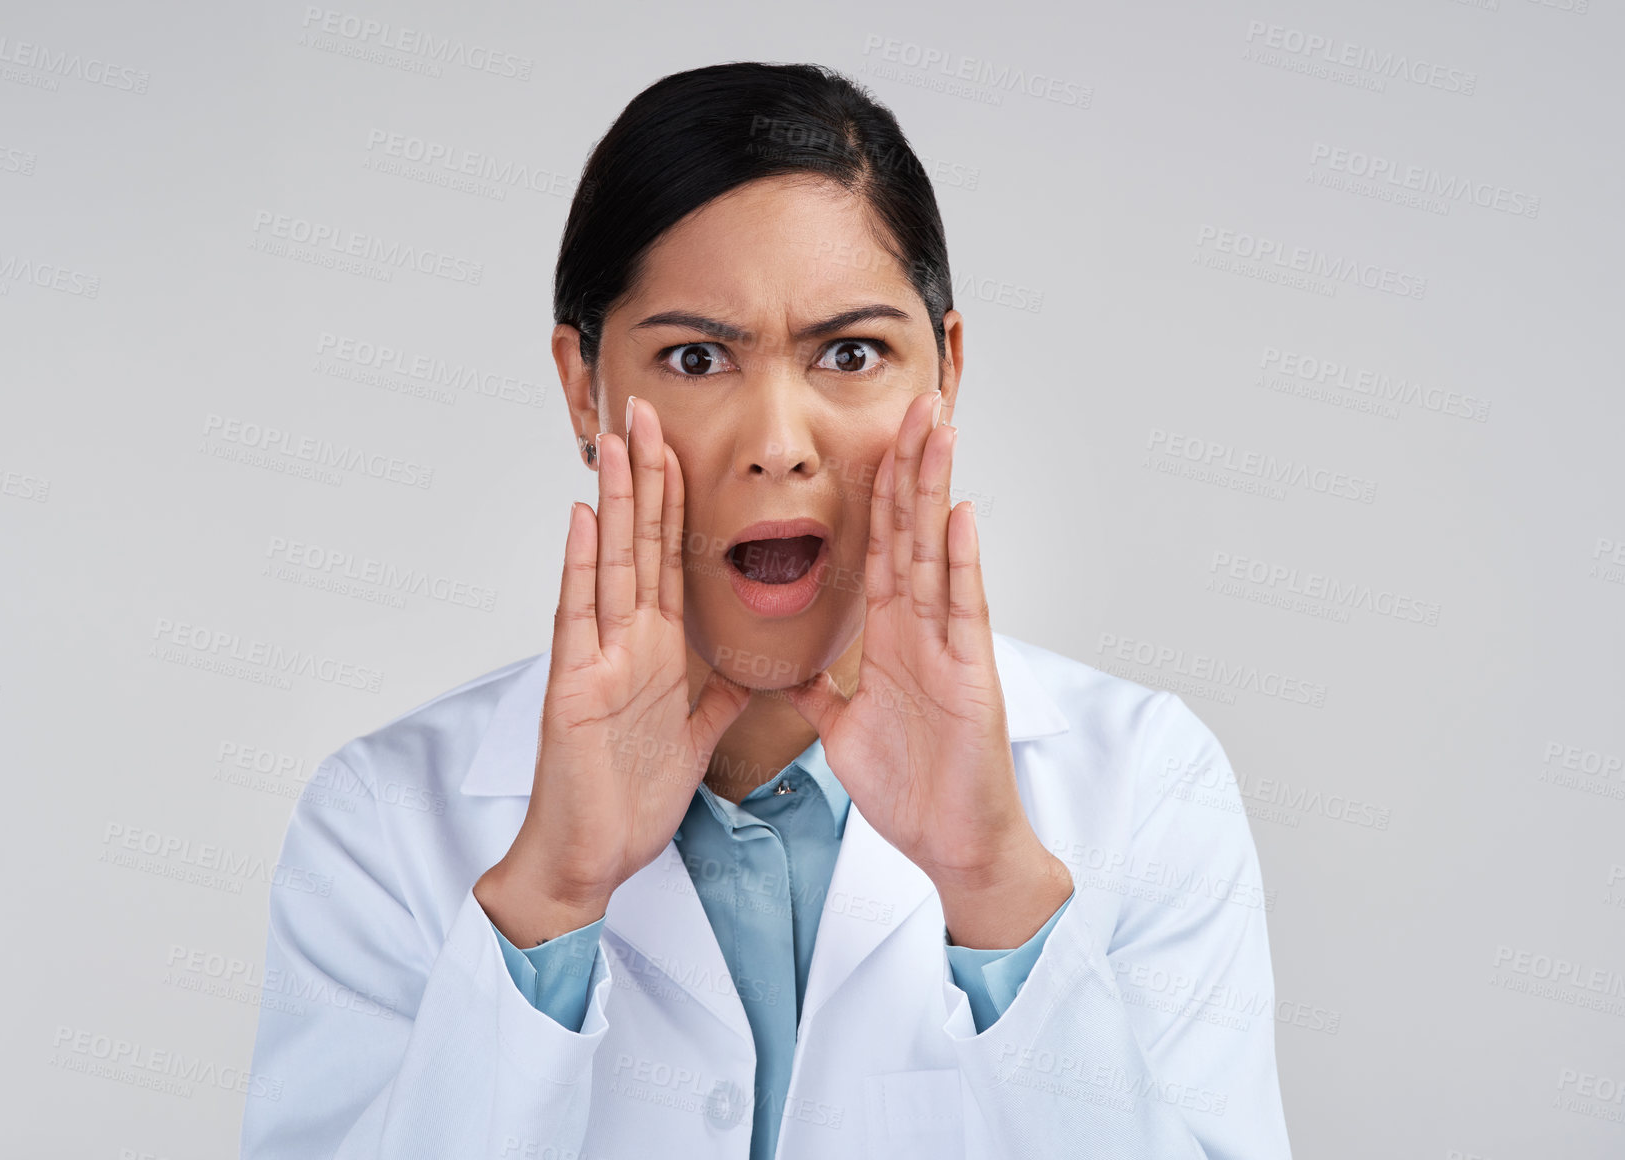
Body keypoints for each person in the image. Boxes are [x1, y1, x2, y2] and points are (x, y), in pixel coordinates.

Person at [240, 61, 1292, 1160]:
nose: (779, 440)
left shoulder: (1148, 781)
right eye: (696, 357)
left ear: (947, 368)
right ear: (581, 386)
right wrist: (550, 894)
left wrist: (991, 880)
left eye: (850, 352)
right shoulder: (380, 817)